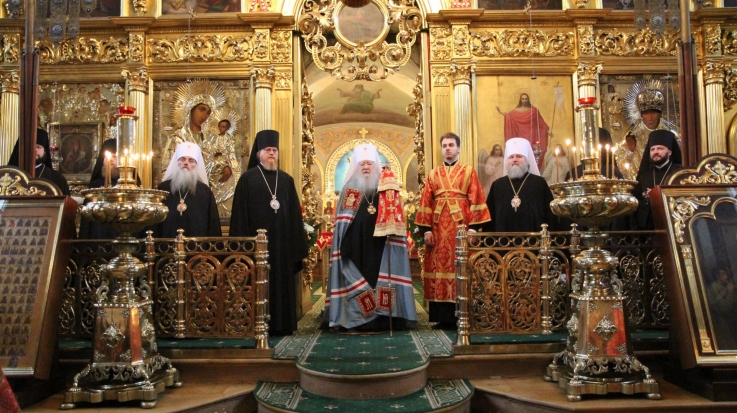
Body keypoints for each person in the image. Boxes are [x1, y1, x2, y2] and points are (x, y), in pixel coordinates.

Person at [323, 143, 417, 331]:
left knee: (381, 279)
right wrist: (344, 244)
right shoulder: (349, 190)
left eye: (369, 163)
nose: (366, 167)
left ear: (376, 165)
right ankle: (358, 320)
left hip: (382, 246)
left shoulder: (385, 188)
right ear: (356, 166)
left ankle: (384, 319)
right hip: (355, 246)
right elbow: (342, 224)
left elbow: (395, 216)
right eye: (362, 164)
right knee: (357, 279)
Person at [230, 130, 308, 336]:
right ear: (259, 154)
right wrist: (242, 248)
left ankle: (283, 325)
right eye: (267, 150)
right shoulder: (247, 179)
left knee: (282, 284)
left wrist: (296, 245)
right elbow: (240, 216)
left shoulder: (286, 180)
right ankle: (256, 325)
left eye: (274, 150)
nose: (272, 153)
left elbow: (295, 215)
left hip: (283, 246)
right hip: (256, 247)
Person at [415, 133, 491, 329]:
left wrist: (473, 229)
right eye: (444, 145)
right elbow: (426, 202)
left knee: (461, 267)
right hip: (438, 230)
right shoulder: (433, 174)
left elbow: (477, 198)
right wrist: (426, 230)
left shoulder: (469, 172)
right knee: (439, 268)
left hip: (461, 228)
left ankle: (463, 315)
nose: (447, 148)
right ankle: (442, 317)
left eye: (451, 145)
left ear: (458, 148)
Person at [484, 137, 556, 232]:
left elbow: (549, 213)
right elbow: (490, 215)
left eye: (519, 156)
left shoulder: (539, 183)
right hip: (503, 239)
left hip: (534, 238)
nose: (514, 160)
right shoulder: (497, 185)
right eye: (511, 157)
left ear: (526, 160)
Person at [151, 142, 221, 238]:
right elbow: (154, 221)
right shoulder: (163, 188)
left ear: (196, 165)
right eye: (182, 159)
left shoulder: (205, 192)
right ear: (177, 163)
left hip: (196, 246)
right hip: (167, 244)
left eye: (191, 160)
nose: (186, 163)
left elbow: (212, 225)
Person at [614, 88, 677, 180]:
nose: (650, 117)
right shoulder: (632, 136)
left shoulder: (671, 135)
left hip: (667, 179)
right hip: (641, 180)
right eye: (646, 113)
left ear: (659, 114)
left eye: (653, 112)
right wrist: (630, 151)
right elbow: (621, 164)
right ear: (641, 115)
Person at [633, 130, 682, 230]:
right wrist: (647, 198)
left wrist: (657, 195)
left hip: (675, 224)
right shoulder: (644, 176)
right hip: (650, 228)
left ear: (669, 152)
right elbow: (637, 201)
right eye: (652, 149)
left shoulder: (679, 172)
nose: (655, 152)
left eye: (660, 148)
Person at [79, 139, 122, 239]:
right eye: (107, 157)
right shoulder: (96, 185)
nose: (110, 160)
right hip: (99, 236)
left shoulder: (130, 185)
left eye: (115, 157)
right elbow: (87, 218)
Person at [6, 129, 70, 195]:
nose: (35, 150)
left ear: (45, 151)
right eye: (31, 146)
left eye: (38, 147)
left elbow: (66, 201)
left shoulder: (57, 178)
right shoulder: (9, 176)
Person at [496, 93, 551, 163]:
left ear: (528, 100)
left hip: (531, 136)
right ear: (520, 100)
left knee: (532, 156)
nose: (524, 100)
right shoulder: (516, 111)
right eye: (523, 99)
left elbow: (540, 122)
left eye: (526, 99)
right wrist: (500, 112)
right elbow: (509, 116)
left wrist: (547, 131)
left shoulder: (534, 111)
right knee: (521, 154)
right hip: (520, 137)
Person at [201, 118, 240, 216]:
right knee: (208, 170)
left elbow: (230, 153)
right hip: (215, 162)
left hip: (225, 162)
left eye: (224, 127)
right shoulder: (215, 138)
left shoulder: (229, 139)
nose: (221, 128)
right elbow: (211, 150)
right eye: (220, 126)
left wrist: (228, 165)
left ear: (227, 128)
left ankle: (225, 211)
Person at [706, 268, 737, 349]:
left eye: (726, 274)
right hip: (724, 322)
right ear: (717, 276)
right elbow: (724, 307)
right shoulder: (714, 287)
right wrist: (730, 293)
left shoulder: (725, 286)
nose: (726, 276)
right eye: (723, 274)